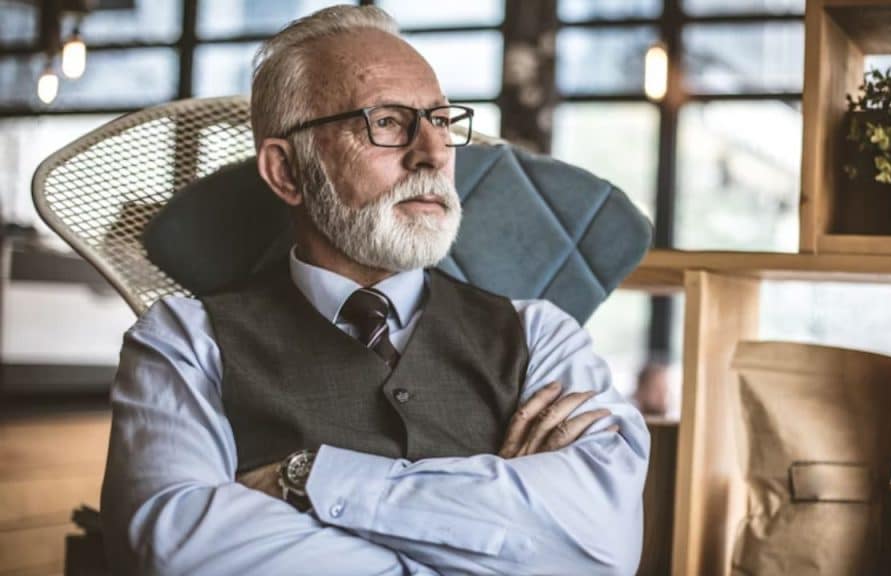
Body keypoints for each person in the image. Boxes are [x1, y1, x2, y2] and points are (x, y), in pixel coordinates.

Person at [100, 5, 649, 575]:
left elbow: (602, 546)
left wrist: (307, 478)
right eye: (386, 122)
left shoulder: (542, 336)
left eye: (440, 120)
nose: (434, 154)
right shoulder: (184, 341)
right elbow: (174, 551)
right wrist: (497, 538)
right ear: (287, 172)